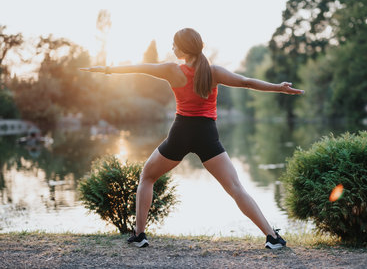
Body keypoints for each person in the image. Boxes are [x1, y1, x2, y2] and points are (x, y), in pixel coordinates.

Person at [80, 28, 304, 249]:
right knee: (235, 187)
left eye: (175, 44)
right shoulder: (213, 71)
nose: (172, 48)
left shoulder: (171, 70)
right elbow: (246, 82)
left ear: (184, 48)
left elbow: (138, 68)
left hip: (181, 132)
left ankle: (139, 235)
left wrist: (107, 69)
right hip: (207, 134)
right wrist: (278, 88)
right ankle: (272, 236)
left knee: (147, 177)